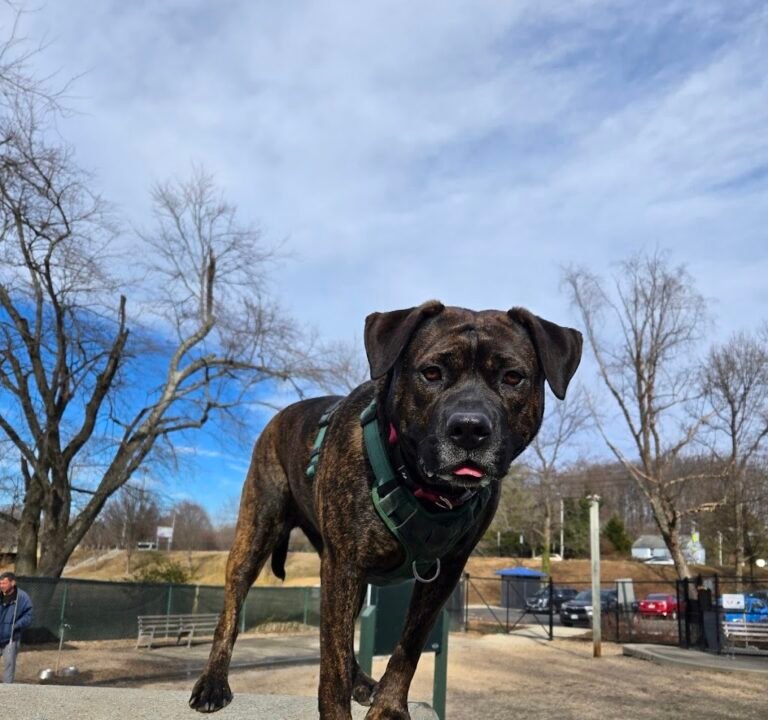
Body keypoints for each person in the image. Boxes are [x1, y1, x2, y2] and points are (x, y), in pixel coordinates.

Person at [0, 571, 33, 683]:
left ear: (13, 583)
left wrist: (16, 625)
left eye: (4, 583)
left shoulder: (22, 597)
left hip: (11, 638)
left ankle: (7, 688)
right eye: (0, 583)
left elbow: (28, 616)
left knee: (9, 665)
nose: (1, 586)